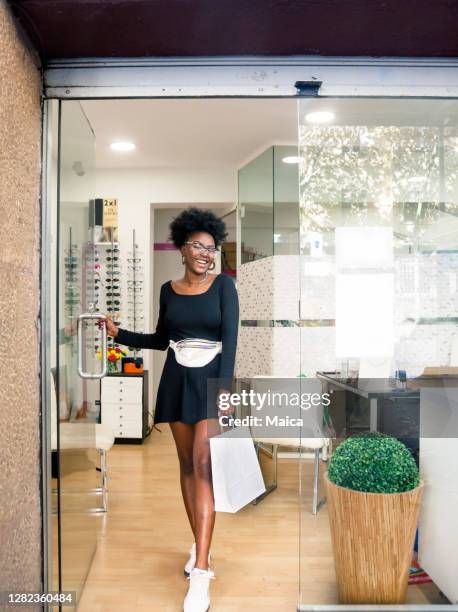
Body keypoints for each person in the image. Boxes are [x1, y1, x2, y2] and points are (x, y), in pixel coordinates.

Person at [102, 207, 239, 612]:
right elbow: (162, 339)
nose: (206, 253)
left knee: (202, 464)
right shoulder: (168, 289)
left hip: (212, 382)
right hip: (178, 380)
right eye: (198, 245)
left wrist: (224, 393)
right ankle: (202, 546)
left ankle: (201, 574)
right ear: (181, 248)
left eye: (211, 248)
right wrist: (118, 333)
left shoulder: (224, 288)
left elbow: (230, 345)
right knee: (184, 466)